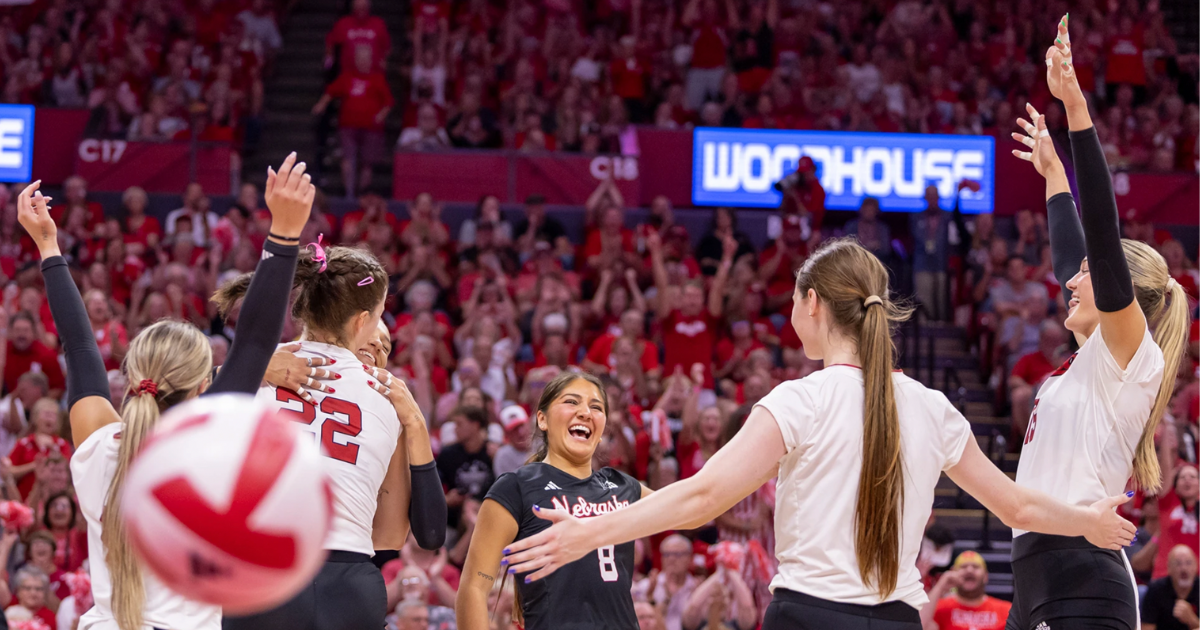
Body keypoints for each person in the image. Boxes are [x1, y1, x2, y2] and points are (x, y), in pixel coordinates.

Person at [500, 238, 1136, 630]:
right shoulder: (932, 405)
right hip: (896, 622)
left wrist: (590, 531)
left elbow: (702, 497)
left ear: (811, 302)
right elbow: (1018, 507)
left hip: (806, 615)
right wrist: (1087, 522)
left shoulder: (797, 400)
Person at [16, 154, 309, 630]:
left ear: (132, 377)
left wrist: (49, 245)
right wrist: (284, 233)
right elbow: (255, 341)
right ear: (203, 384)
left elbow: (80, 346)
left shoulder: (96, 448)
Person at [1008, 17, 1189, 629]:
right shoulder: (1091, 357)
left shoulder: (1130, 355)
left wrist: (1078, 112)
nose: (1070, 279)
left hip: (1084, 578)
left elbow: (1103, 248)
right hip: (1034, 571)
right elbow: (1075, 259)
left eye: (1088, 274)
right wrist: (1054, 177)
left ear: (1121, 295)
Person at [215, 220, 445, 629]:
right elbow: (391, 535)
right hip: (350, 580)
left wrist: (252, 364)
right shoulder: (388, 394)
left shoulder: (249, 370)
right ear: (361, 323)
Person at [456, 372, 649, 630]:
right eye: (571, 402)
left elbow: (693, 505)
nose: (585, 412)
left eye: (596, 407)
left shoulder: (623, 486)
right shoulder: (516, 487)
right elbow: (473, 589)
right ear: (542, 420)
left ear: (602, 429)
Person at [314, 43, 395, 199]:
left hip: (372, 128)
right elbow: (330, 92)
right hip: (348, 126)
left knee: (367, 163)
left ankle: (362, 194)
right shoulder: (347, 77)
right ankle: (349, 194)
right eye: (360, 59)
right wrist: (321, 105)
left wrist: (380, 116)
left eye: (365, 59)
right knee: (347, 160)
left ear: (371, 60)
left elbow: (388, 103)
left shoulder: (378, 79)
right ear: (355, 60)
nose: (362, 62)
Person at [921, 551, 1010, 630]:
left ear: (986, 576)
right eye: (963, 567)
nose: (969, 570)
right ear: (953, 572)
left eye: (975, 567)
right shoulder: (940, 608)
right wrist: (940, 586)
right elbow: (920, 626)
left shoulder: (1006, 610)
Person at [635, 535, 699, 630]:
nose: (671, 559)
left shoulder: (697, 587)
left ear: (689, 558)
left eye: (677, 554)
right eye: (667, 554)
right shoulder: (646, 586)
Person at [1141, 546, 1199, 630]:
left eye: (1188, 563)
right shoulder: (1156, 589)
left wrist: (1192, 620)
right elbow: (1147, 627)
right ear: (1169, 568)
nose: (1184, 569)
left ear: (1196, 566)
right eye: (1178, 564)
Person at [494, 405, 533, 477]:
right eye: (514, 429)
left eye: (522, 426)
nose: (520, 433)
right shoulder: (503, 456)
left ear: (528, 425)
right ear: (507, 434)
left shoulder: (543, 447)